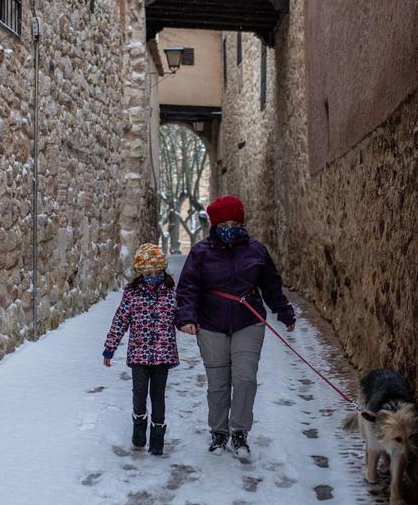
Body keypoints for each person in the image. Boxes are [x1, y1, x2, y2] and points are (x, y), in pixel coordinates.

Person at [176, 195, 295, 458]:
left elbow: (272, 286)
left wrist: (284, 312)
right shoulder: (200, 253)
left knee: (245, 379)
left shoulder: (256, 251)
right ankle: (219, 432)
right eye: (224, 223)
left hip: (248, 322)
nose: (229, 227)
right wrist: (186, 317)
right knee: (218, 382)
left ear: (241, 223)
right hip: (210, 324)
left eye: (234, 222)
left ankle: (240, 432)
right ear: (215, 226)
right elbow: (187, 289)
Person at [103, 243, 179, 456]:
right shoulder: (132, 294)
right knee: (139, 395)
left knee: (158, 397)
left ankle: (157, 439)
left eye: (157, 272)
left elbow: (182, 316)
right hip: (139, 354)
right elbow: (120, 321)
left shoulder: (171, 293)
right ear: (141, 273)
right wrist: (110, 348)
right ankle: (139, 426)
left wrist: (190, 324)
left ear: (163, 270)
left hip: (163, 355)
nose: (153, 276)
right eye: (148, 273)